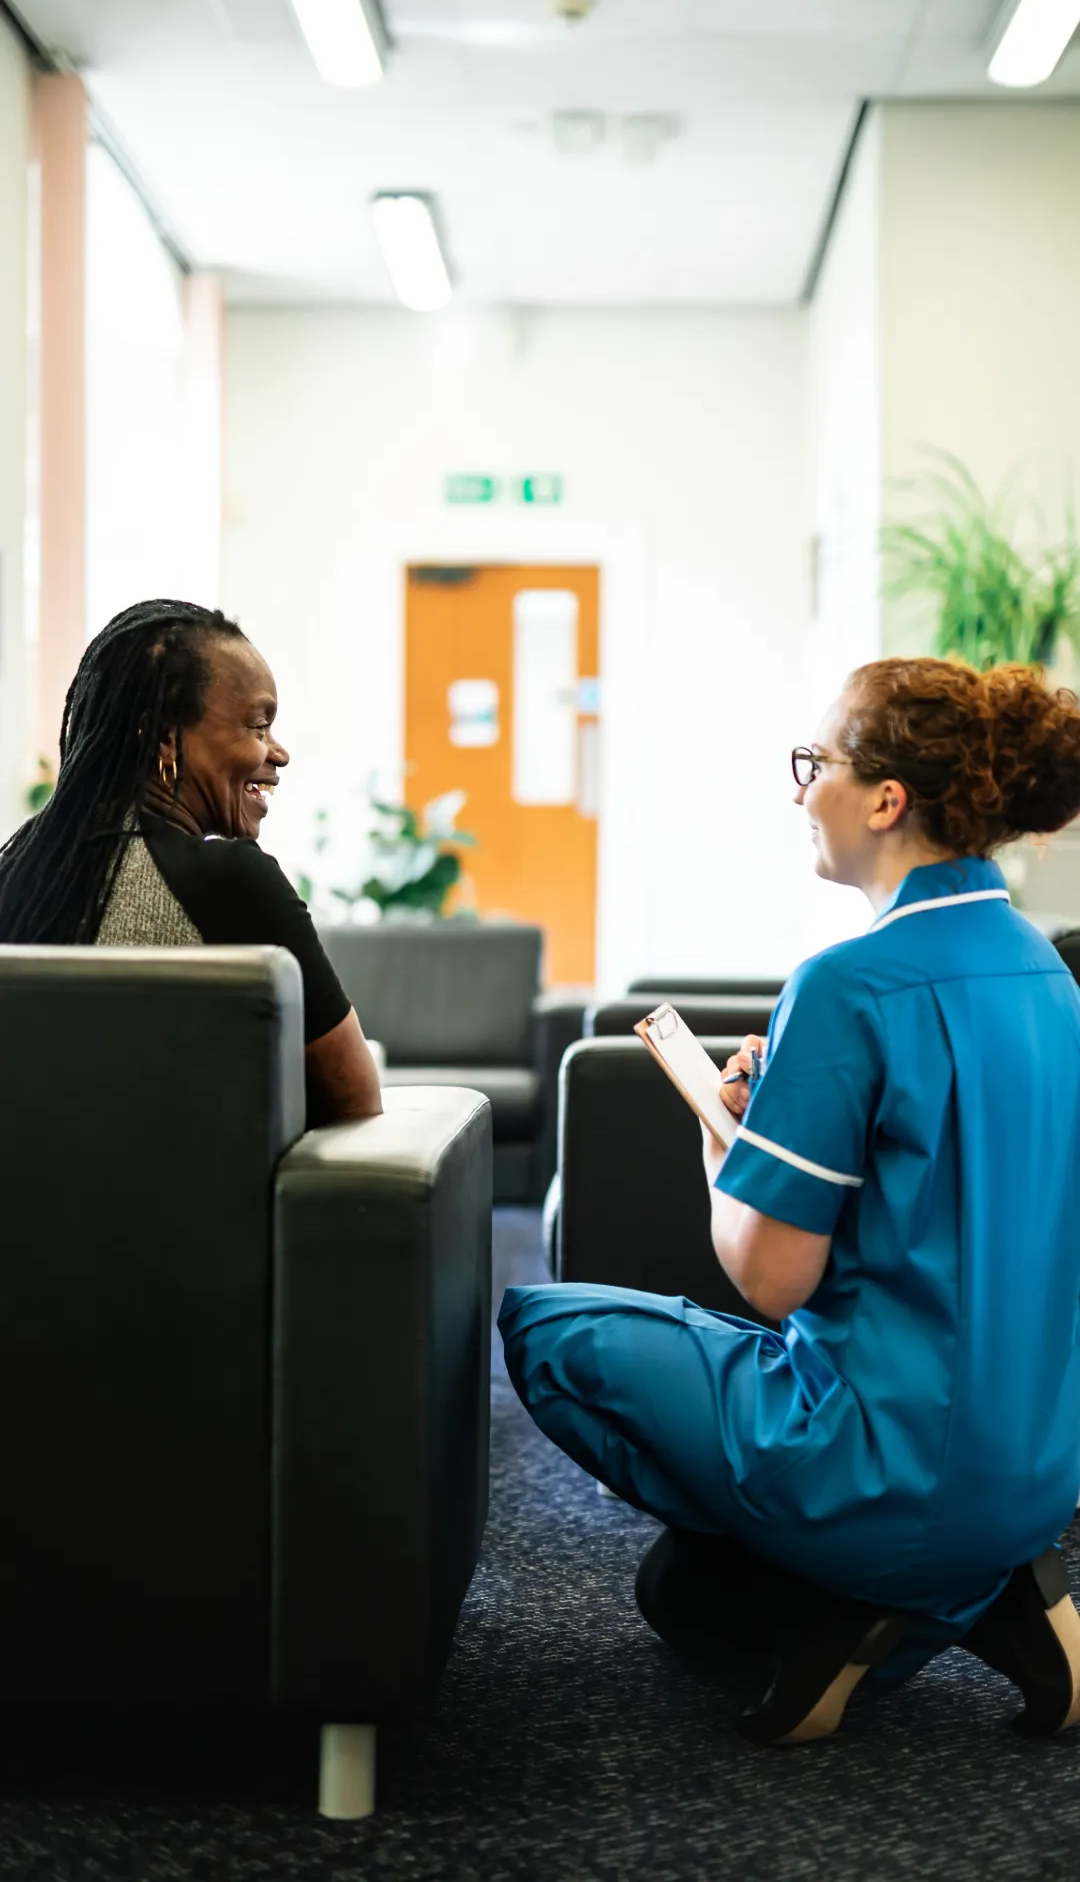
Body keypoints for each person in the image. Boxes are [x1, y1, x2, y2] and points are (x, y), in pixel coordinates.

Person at [500, 656, 1080, 1745]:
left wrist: (728, 1155)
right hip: (1042, 1463)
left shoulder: (847, 984)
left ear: (885, 800)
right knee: (684, 1579)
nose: (803, 787)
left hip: (880, 1457)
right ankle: (985, 1587)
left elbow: (772, 1278)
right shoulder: (1049, 975)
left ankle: (859, 1610)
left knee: (547, 1330)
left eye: (816, 763)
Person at [0, 599, 381, 1126]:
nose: (279, 753)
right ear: (162, 735)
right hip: (188, 1207)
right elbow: (354, 1100)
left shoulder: (18, 871)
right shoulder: (234, 882)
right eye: (257, 726)